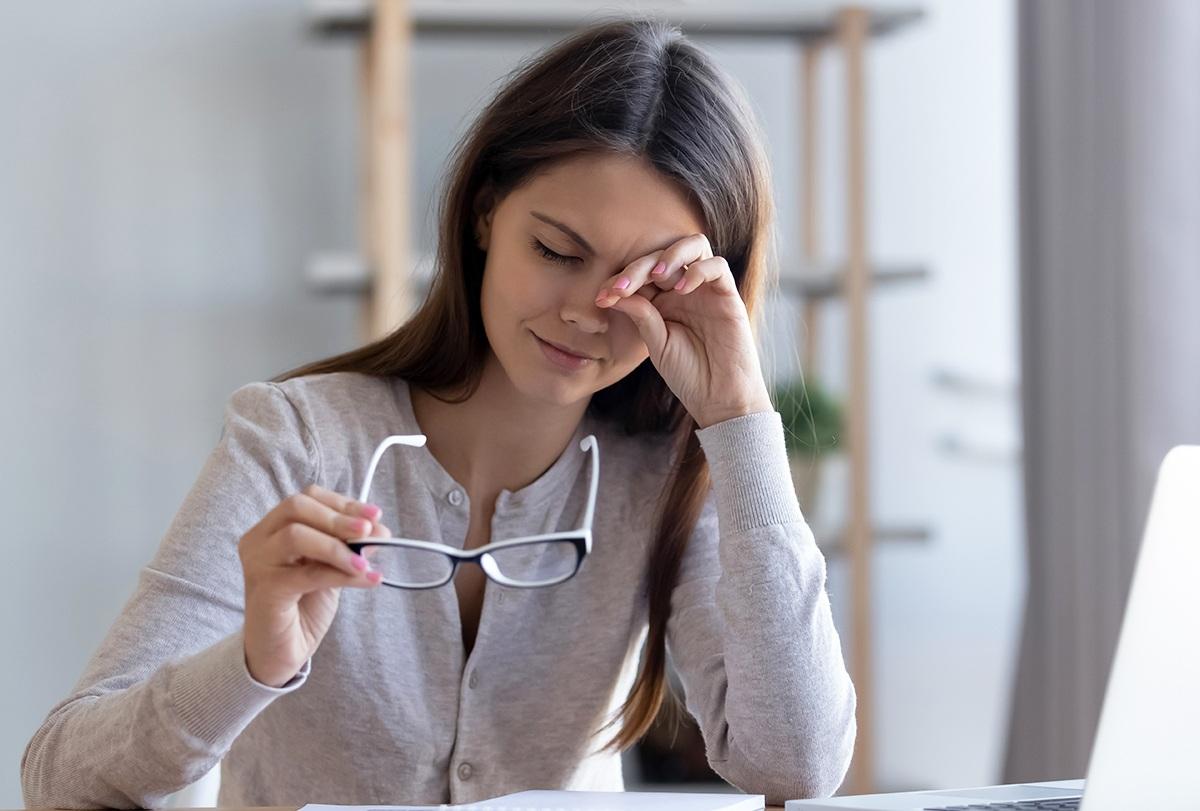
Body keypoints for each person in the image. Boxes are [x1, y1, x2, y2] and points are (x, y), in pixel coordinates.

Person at [21, 16, 855, 810]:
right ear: (487, 211)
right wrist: (251, 664)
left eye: (643, 283)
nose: (586, 313)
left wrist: (739, 417)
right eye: (557, 252)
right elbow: (61, 774)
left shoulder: (669, 473)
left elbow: (797, 760)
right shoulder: (296, 437)